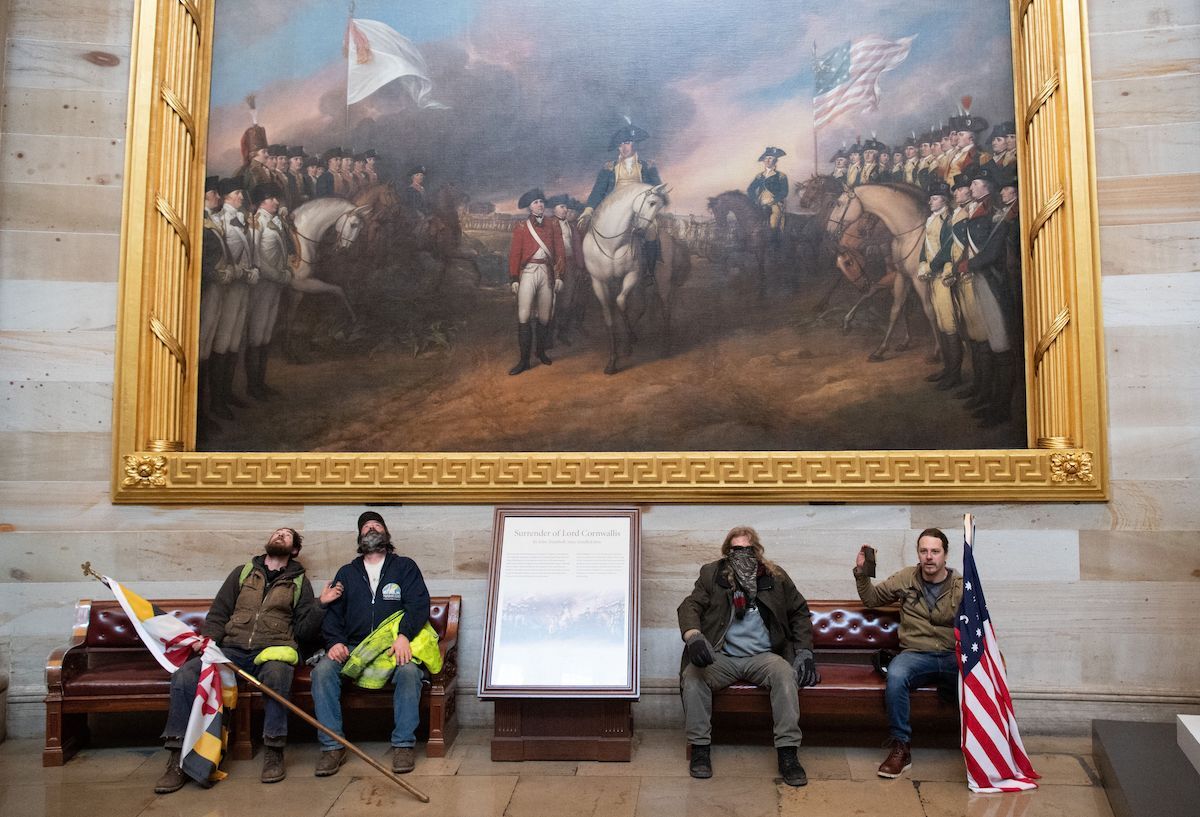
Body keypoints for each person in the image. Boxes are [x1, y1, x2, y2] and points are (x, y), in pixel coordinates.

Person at [154, 527, 339, 793]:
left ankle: (274, 751)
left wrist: (321, 604)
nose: (279, 536)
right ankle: (176, 758)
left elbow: (303, 630)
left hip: (272, 650)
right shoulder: (241, 573)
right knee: (185, 675)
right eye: (277, 533)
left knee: (277, 675)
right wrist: (207, 641)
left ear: (294, 549)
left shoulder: (299, 582)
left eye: (286, 536)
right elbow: (219, 613)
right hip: (231, 649)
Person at [677, 526, 818, 787]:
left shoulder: (775, 576)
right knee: (693, 676)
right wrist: (694, 635)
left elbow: (799, 611)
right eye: (736, 550)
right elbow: (690, 605)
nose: (742, 555)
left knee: (785, 675)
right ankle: (700, 748)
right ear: (727, 552)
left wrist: (804, 651)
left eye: (747, 550)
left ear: (757, 551)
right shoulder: (712, 574)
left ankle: (788, 753)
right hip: (723, 656)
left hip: (763, 656)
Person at [312, 512, 433, 777]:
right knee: (322, 671)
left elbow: (418, 604)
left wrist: (404, 636)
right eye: (365, 527)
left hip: (394, 645)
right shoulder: (347, 572)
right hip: (354, 646)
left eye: (376, 525)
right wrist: (335, 642)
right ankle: (333, 747)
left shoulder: (405, 567)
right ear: (360, 537)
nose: (371, 528)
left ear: (386, 533)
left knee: (410, 672)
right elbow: (333, 613)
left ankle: (403, 744)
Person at [853, 528, 963, 779]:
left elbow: (976, 624)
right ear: (918, 553)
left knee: (981, 677)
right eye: (924, 551)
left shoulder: (960, 585)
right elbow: (871, 599)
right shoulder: (906, 578)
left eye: (935, 551)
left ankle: (984, 744)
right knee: (896, 674)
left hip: (950, 654)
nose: (929, 557)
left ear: (945, 555)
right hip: (915, 654)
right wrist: (862, 572)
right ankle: (901, 746)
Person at [580, 121, 664, 285]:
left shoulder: (648, 167)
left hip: (639, 210)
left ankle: (649, 272)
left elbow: (658, 191)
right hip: (612, 210)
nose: (623, 148)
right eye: (620, 145)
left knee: (652, 230)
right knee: (589, 229)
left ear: (635, 144)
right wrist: (589, 209)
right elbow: (598, 191)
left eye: (627, 143)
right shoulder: (609, 168)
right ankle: (587, 269)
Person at [507, 188, 565, 375]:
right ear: (529, 207)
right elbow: (515, 253)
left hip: (546, 272)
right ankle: (524, 361)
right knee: (524, 315)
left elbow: (560, 251)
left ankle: (540, 352)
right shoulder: (522, 227)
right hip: (528, 273)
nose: (540, 204)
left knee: (544, 316)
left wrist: (560, 275)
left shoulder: (553, 224)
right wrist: (514, 278)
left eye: (541, 201)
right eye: (535, 202)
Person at [747, 146, 789, 243]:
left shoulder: (781, 176)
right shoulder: (759, 176)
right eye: (766, 158)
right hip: (759, 203)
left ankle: (773, 242)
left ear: (775, 160)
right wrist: (754, 200)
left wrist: (773, 200)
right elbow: (750, 189)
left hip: (775, 203)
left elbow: (784, 192)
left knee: (773, 220)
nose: (768, 160)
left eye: (770, 158)